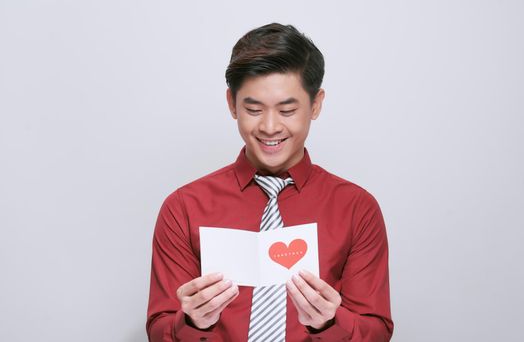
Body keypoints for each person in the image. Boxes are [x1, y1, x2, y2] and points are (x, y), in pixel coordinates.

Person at [146, 22, 393, 341]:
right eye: (253, 109)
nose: (270, 126)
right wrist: (193, 322)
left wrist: (330, 323)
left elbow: (377, 332)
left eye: (288, 110)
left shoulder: (357, 209)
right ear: (232, 104)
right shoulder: (184, 208)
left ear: (315, 105)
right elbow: (159, 330)